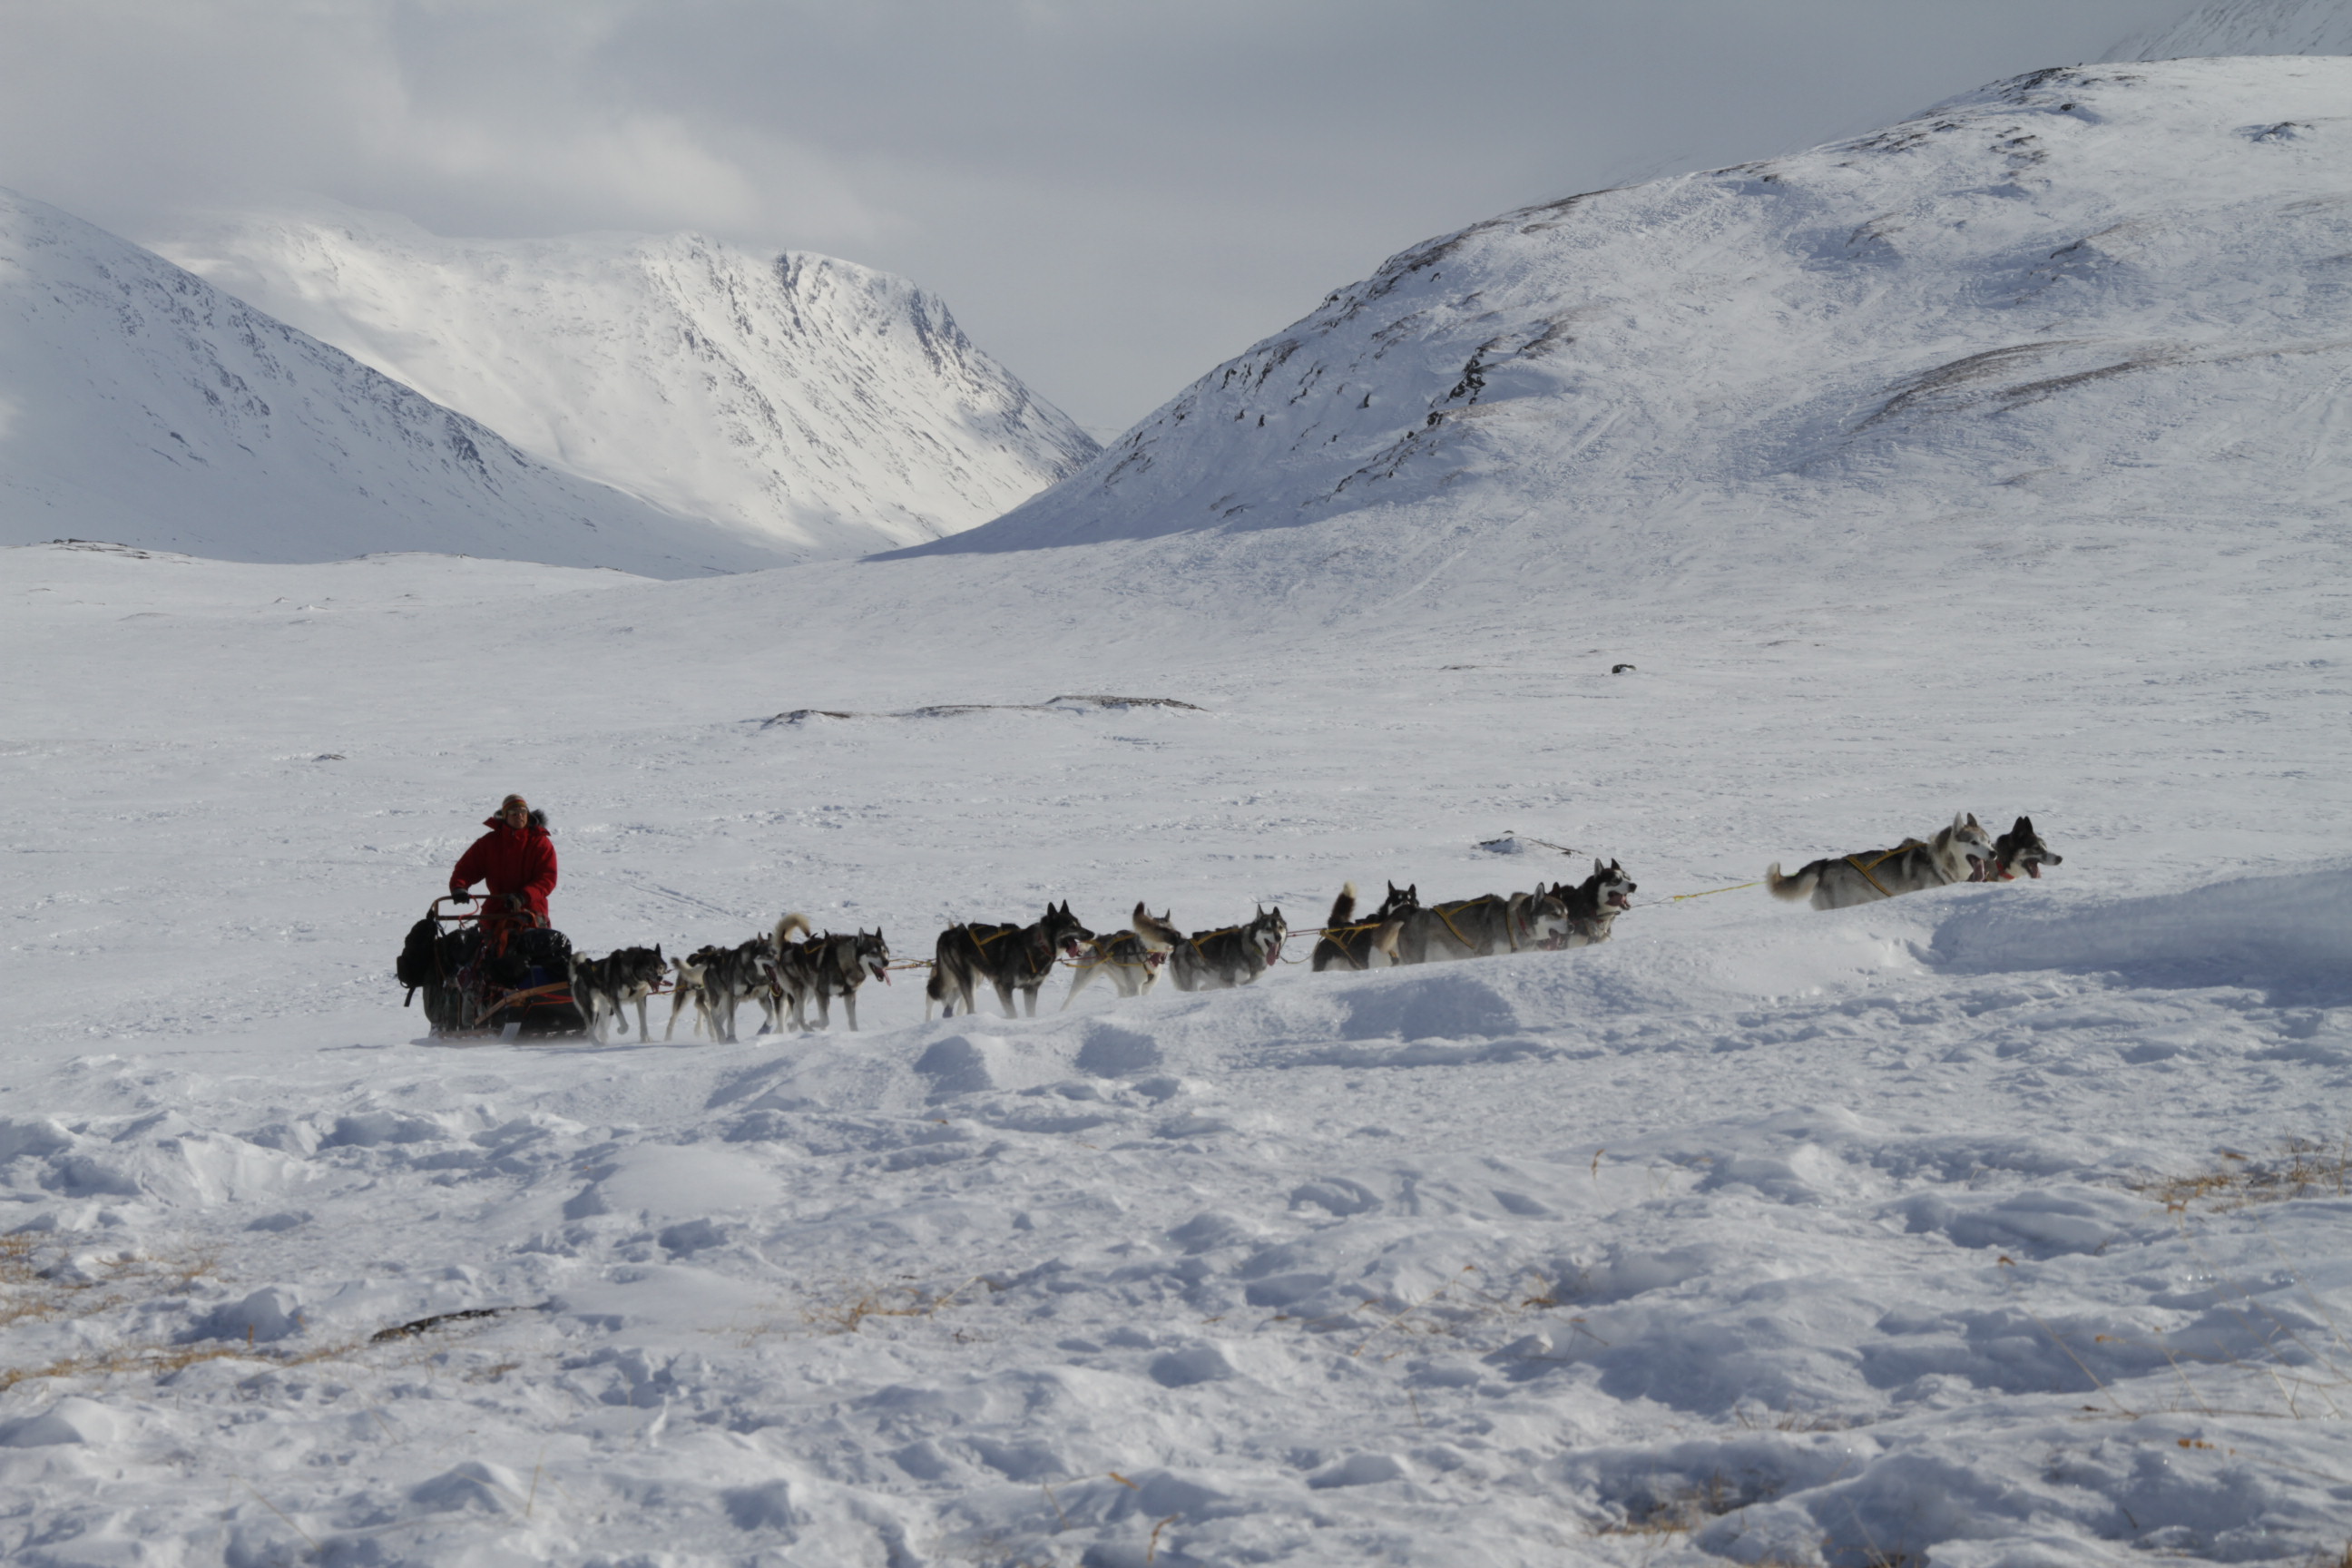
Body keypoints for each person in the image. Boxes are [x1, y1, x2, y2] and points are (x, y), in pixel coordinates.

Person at [448, 794, 558, 934]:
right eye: (514, 813)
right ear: (505, 816)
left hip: (530, 913)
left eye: (523, 812)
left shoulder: (541, 844)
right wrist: (459, 887)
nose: (520, 816)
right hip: (496, 912)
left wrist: (523, 896)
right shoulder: (490, 842)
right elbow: (467, 868)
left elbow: (547, 879)